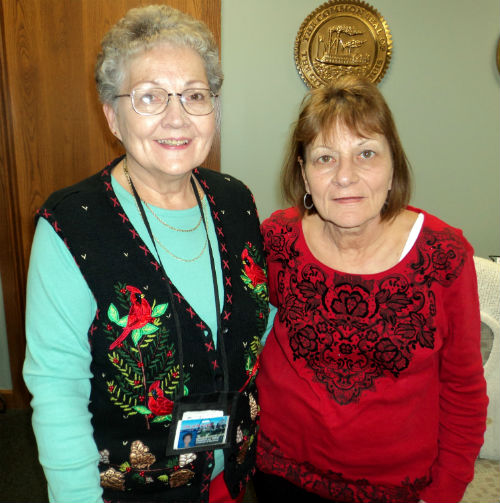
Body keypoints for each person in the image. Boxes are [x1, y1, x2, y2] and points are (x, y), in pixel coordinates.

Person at [23, 5, 270, 503]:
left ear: (213, 109)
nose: (176, 117)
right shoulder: (71, 223)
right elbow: (56, 391)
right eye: (150, 97)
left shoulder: (236, 201)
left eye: (195, 96)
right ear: (113, 115)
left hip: (230, 480)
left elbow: (257, 324)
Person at [254, 77, 488, 503]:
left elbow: (464, 390)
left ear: (392, 164)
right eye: (325, 158)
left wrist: (445, 492)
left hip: (398, 490)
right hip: (279, 474)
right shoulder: (277, 240)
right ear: (303, 173)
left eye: (366, 153)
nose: (346, 176)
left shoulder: (444, 256)